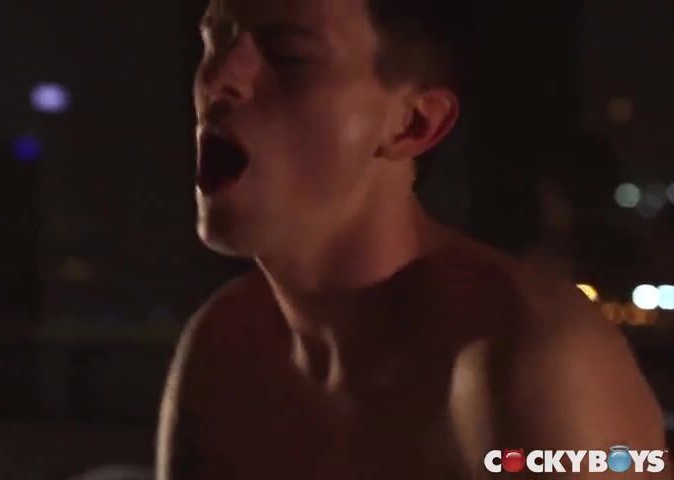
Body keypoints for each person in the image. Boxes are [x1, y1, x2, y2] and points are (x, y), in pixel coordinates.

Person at [156, 0, 667, 478]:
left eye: (289, 56)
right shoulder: (224, 348)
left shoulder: (536, 364)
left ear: (414, 124)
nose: (217, 79)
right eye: (216, 42)